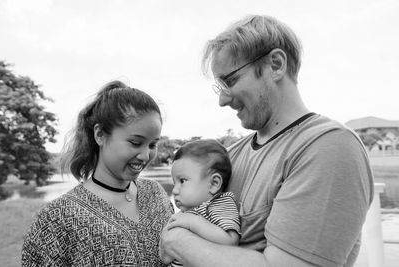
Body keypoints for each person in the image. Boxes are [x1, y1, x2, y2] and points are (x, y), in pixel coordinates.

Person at [160, 15, 374, 267]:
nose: (223, 100)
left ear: (275, 64)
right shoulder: (230, 155)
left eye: (230, 81)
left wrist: (177, 241)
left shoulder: (328, 147)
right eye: (220, 87)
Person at [22, 80, 174, 266]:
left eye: (152, 145)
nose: (145, 155)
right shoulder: (58, 217)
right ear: (100, 134)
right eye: (135, 142)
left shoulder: (156, 194)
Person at [167, 139, 241, 266]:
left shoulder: (219, 204)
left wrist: (192, 222)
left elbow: (231, 242)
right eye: (174, 183)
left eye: (183, 181)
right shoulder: (189, 209)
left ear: (214, 184)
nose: (174, 190)